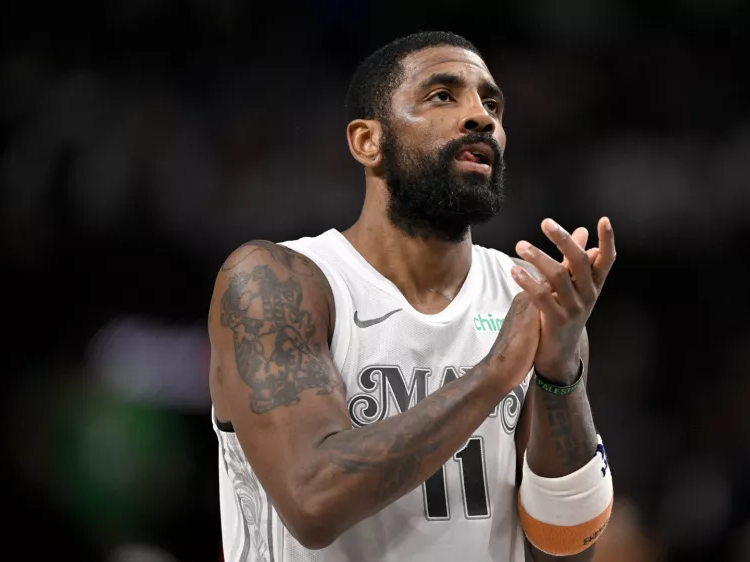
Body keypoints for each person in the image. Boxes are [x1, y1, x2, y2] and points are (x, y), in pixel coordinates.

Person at [209, 31, 617, 562]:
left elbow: (564, 548)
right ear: (366, 142)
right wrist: (495, 374)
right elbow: (313, 500)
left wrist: (561, 373)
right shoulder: (278, 282)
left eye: (491, 102)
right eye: (442, 95)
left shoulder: (530, 301)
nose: (480, 117)